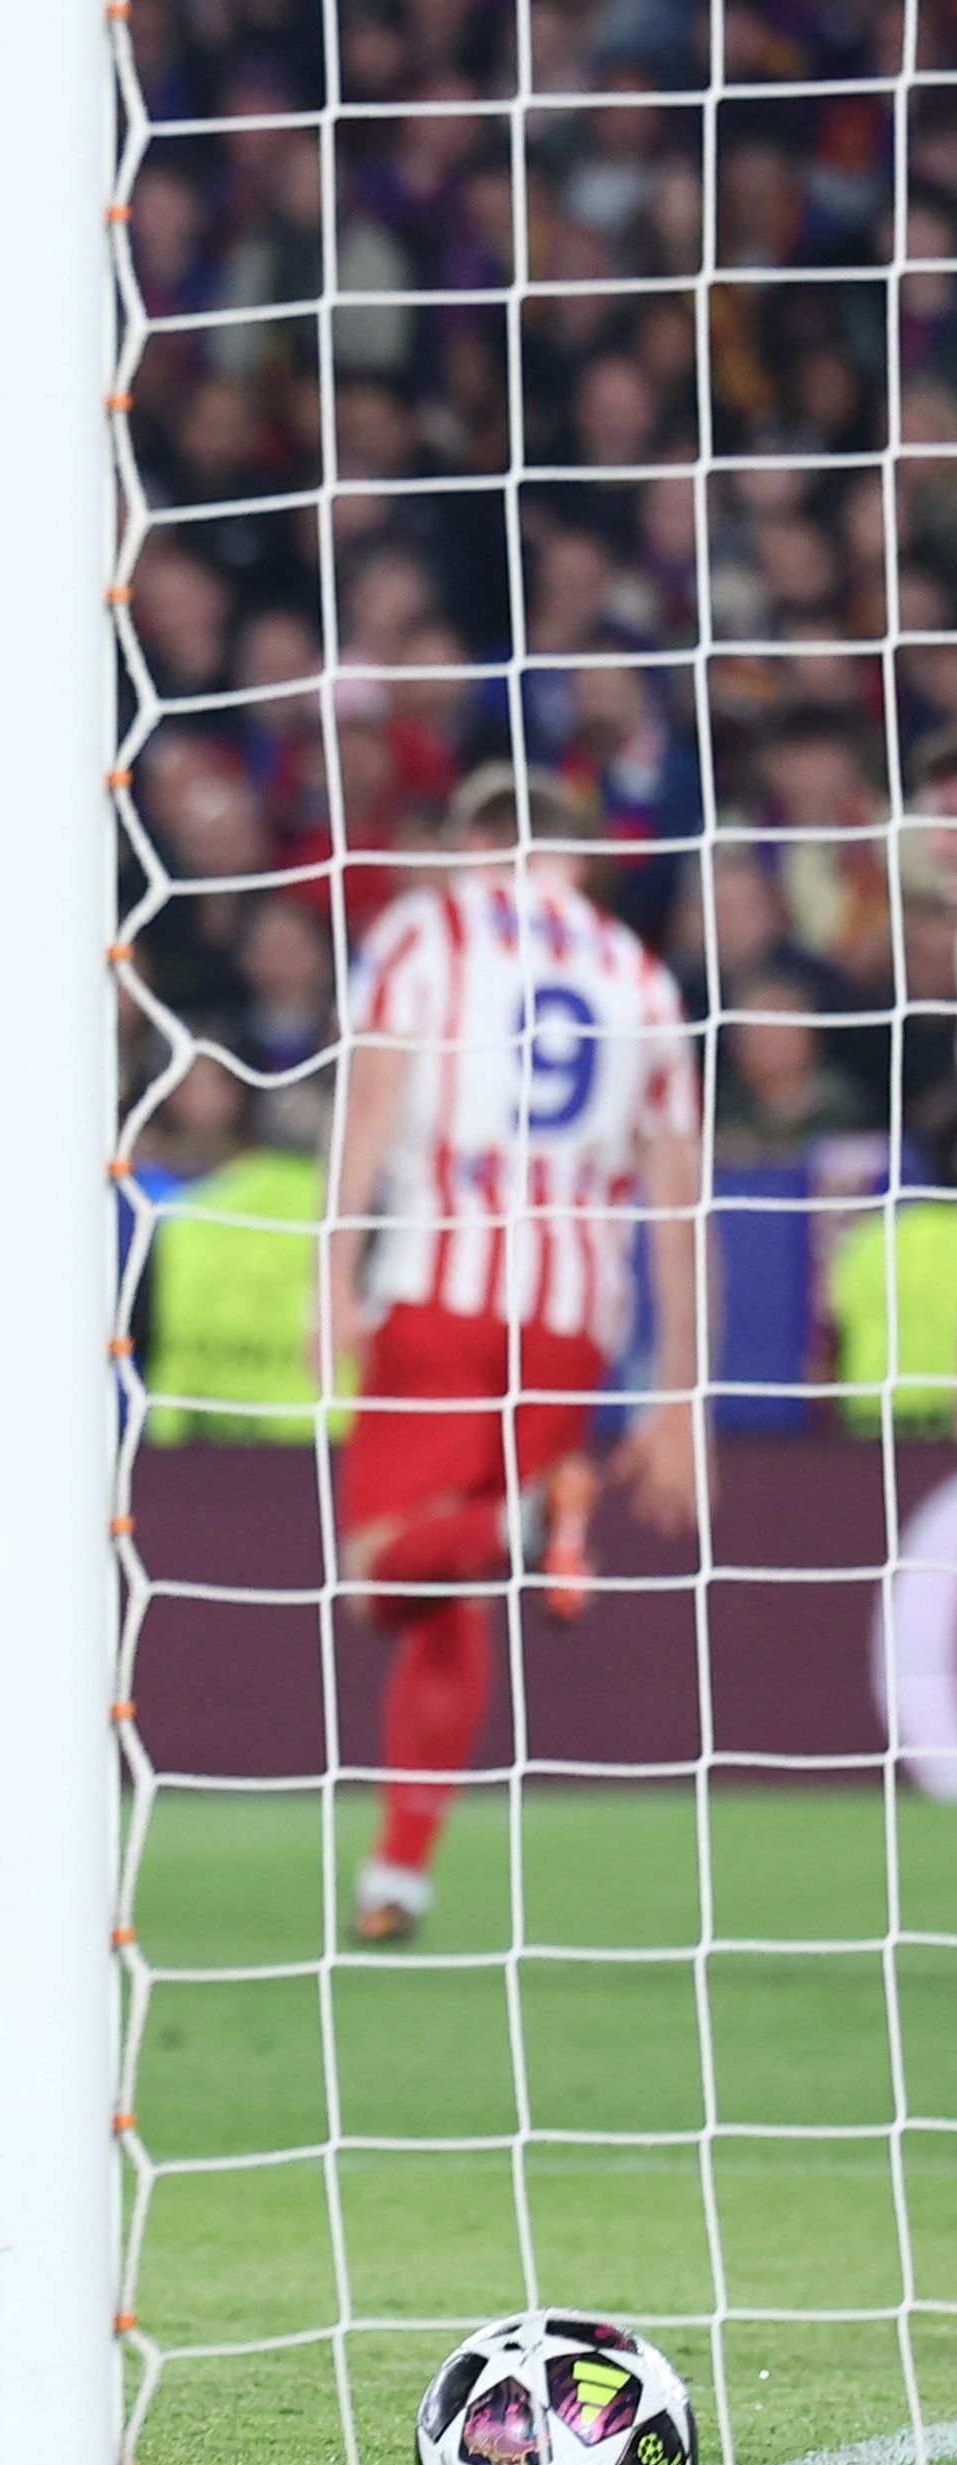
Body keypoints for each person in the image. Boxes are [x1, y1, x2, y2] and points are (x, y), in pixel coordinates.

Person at [331, 769, 707, 1944]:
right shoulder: (640, 977)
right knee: (447, 1598)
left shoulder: (427, 931)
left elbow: (371, 1100)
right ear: (581, 857)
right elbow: (679, 1202)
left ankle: (526, 1519)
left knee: (377, 1569)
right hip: (572, 1316)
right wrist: (678, 1394)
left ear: (470, 842)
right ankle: (399, 1871)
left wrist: (329, 1275)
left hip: (441, 1287)